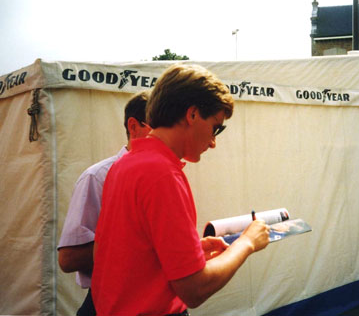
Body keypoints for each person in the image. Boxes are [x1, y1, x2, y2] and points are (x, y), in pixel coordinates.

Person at [91, 63, 270, 315]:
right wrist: (247, 242)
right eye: (216, 127)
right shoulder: (163, 174)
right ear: (193, 114)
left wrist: (188, 253)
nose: (213, 141)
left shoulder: (123, 165)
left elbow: (123, 255)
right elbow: (194, 289)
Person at [57, 90, 151, 316]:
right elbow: (68, 259)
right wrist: (142, 241)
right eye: (158, 128)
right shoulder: (97, 177)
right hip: (109, 303)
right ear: (133, 126)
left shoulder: (165, 175)